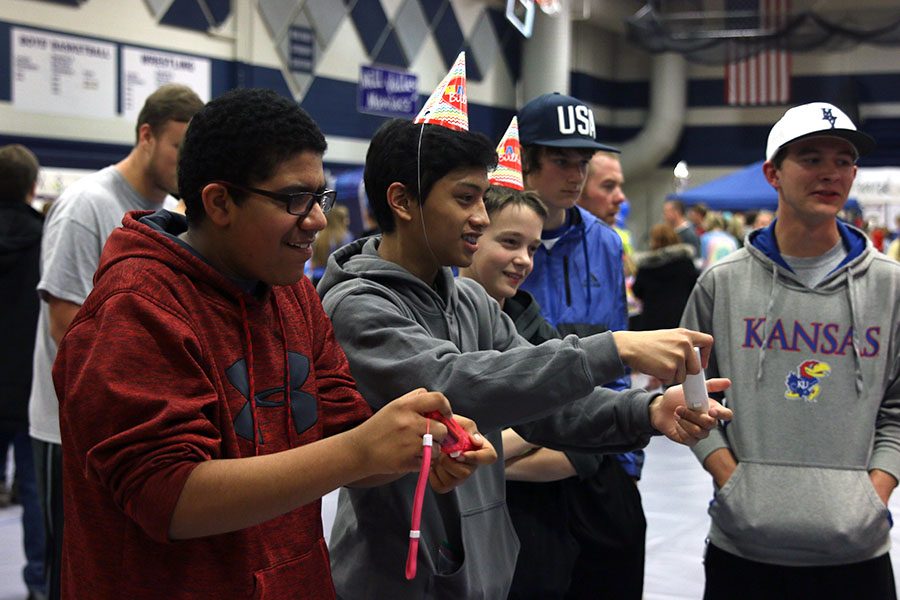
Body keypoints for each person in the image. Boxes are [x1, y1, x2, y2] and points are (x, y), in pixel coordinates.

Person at [52, 87, 495, 599]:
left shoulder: (294, 296)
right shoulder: (134, 309)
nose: (317, 220)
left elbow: (343, 427)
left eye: (320, 197)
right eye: (294, 200)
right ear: (220, 201)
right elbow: (167, 496)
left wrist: (418, 447)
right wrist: (357, 451)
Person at [318, 74, 731, 596]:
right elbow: (453, 382)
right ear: (402, 200)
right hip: (400, 576)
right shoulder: (357, 305)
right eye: (466, 199)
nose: (480, 218)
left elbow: (545, 406)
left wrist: (646, 412)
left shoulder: (468, 300)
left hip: (484, 570)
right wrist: (617, 348)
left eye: (484, 201)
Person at [681, 101, 900, 599]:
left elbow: (899, 405)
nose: (831, 173)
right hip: (744, 550)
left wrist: (875, 492)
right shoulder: (722, 283)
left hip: (856, 551)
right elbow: (689, 394)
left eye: (843, 160)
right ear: (772, 174)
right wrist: (731, 481)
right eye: (811, 158)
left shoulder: (890, 286)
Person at [27, 83, 204, 600]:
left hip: (137, 431)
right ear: (145, 136)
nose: (184, 160)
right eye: (178, 146)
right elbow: (66, 325)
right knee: (72, 570)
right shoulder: (88, 205)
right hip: (72, 433)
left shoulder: (173, 216)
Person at [518, 93, 646, 599]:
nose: (574, 174)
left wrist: (624, 465)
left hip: (596, 462)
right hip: (518, 472)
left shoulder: (607, 243)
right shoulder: (483, 239)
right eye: (560, 159)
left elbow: (620, 355)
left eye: (582, 161)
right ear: (525, 159)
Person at [0, 144, 46, 600]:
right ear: (33, 187)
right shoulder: (43, 236)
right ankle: (38, 583)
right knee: (35, 494)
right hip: (27, 388)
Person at [633, 223, 698, 331]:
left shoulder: (646, 266)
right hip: (680, 317)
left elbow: (637, 291)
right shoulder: (685, 262)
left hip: (653, 319)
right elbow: (694, 287)